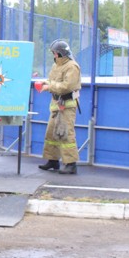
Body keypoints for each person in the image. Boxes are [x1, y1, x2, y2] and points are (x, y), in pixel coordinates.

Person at [37, 39, 82, 174]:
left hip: (66, 105)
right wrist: (45, 82)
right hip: (56, 104)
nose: (54, 55)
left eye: (55, 53)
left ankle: (71, 164)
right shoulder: (56, 65)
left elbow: (66, 86)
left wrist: (48, 87)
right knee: (51, 133)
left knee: (66, 134)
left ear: (61, 53)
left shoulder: (72, 66)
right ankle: (53, 160)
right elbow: (52, 80)